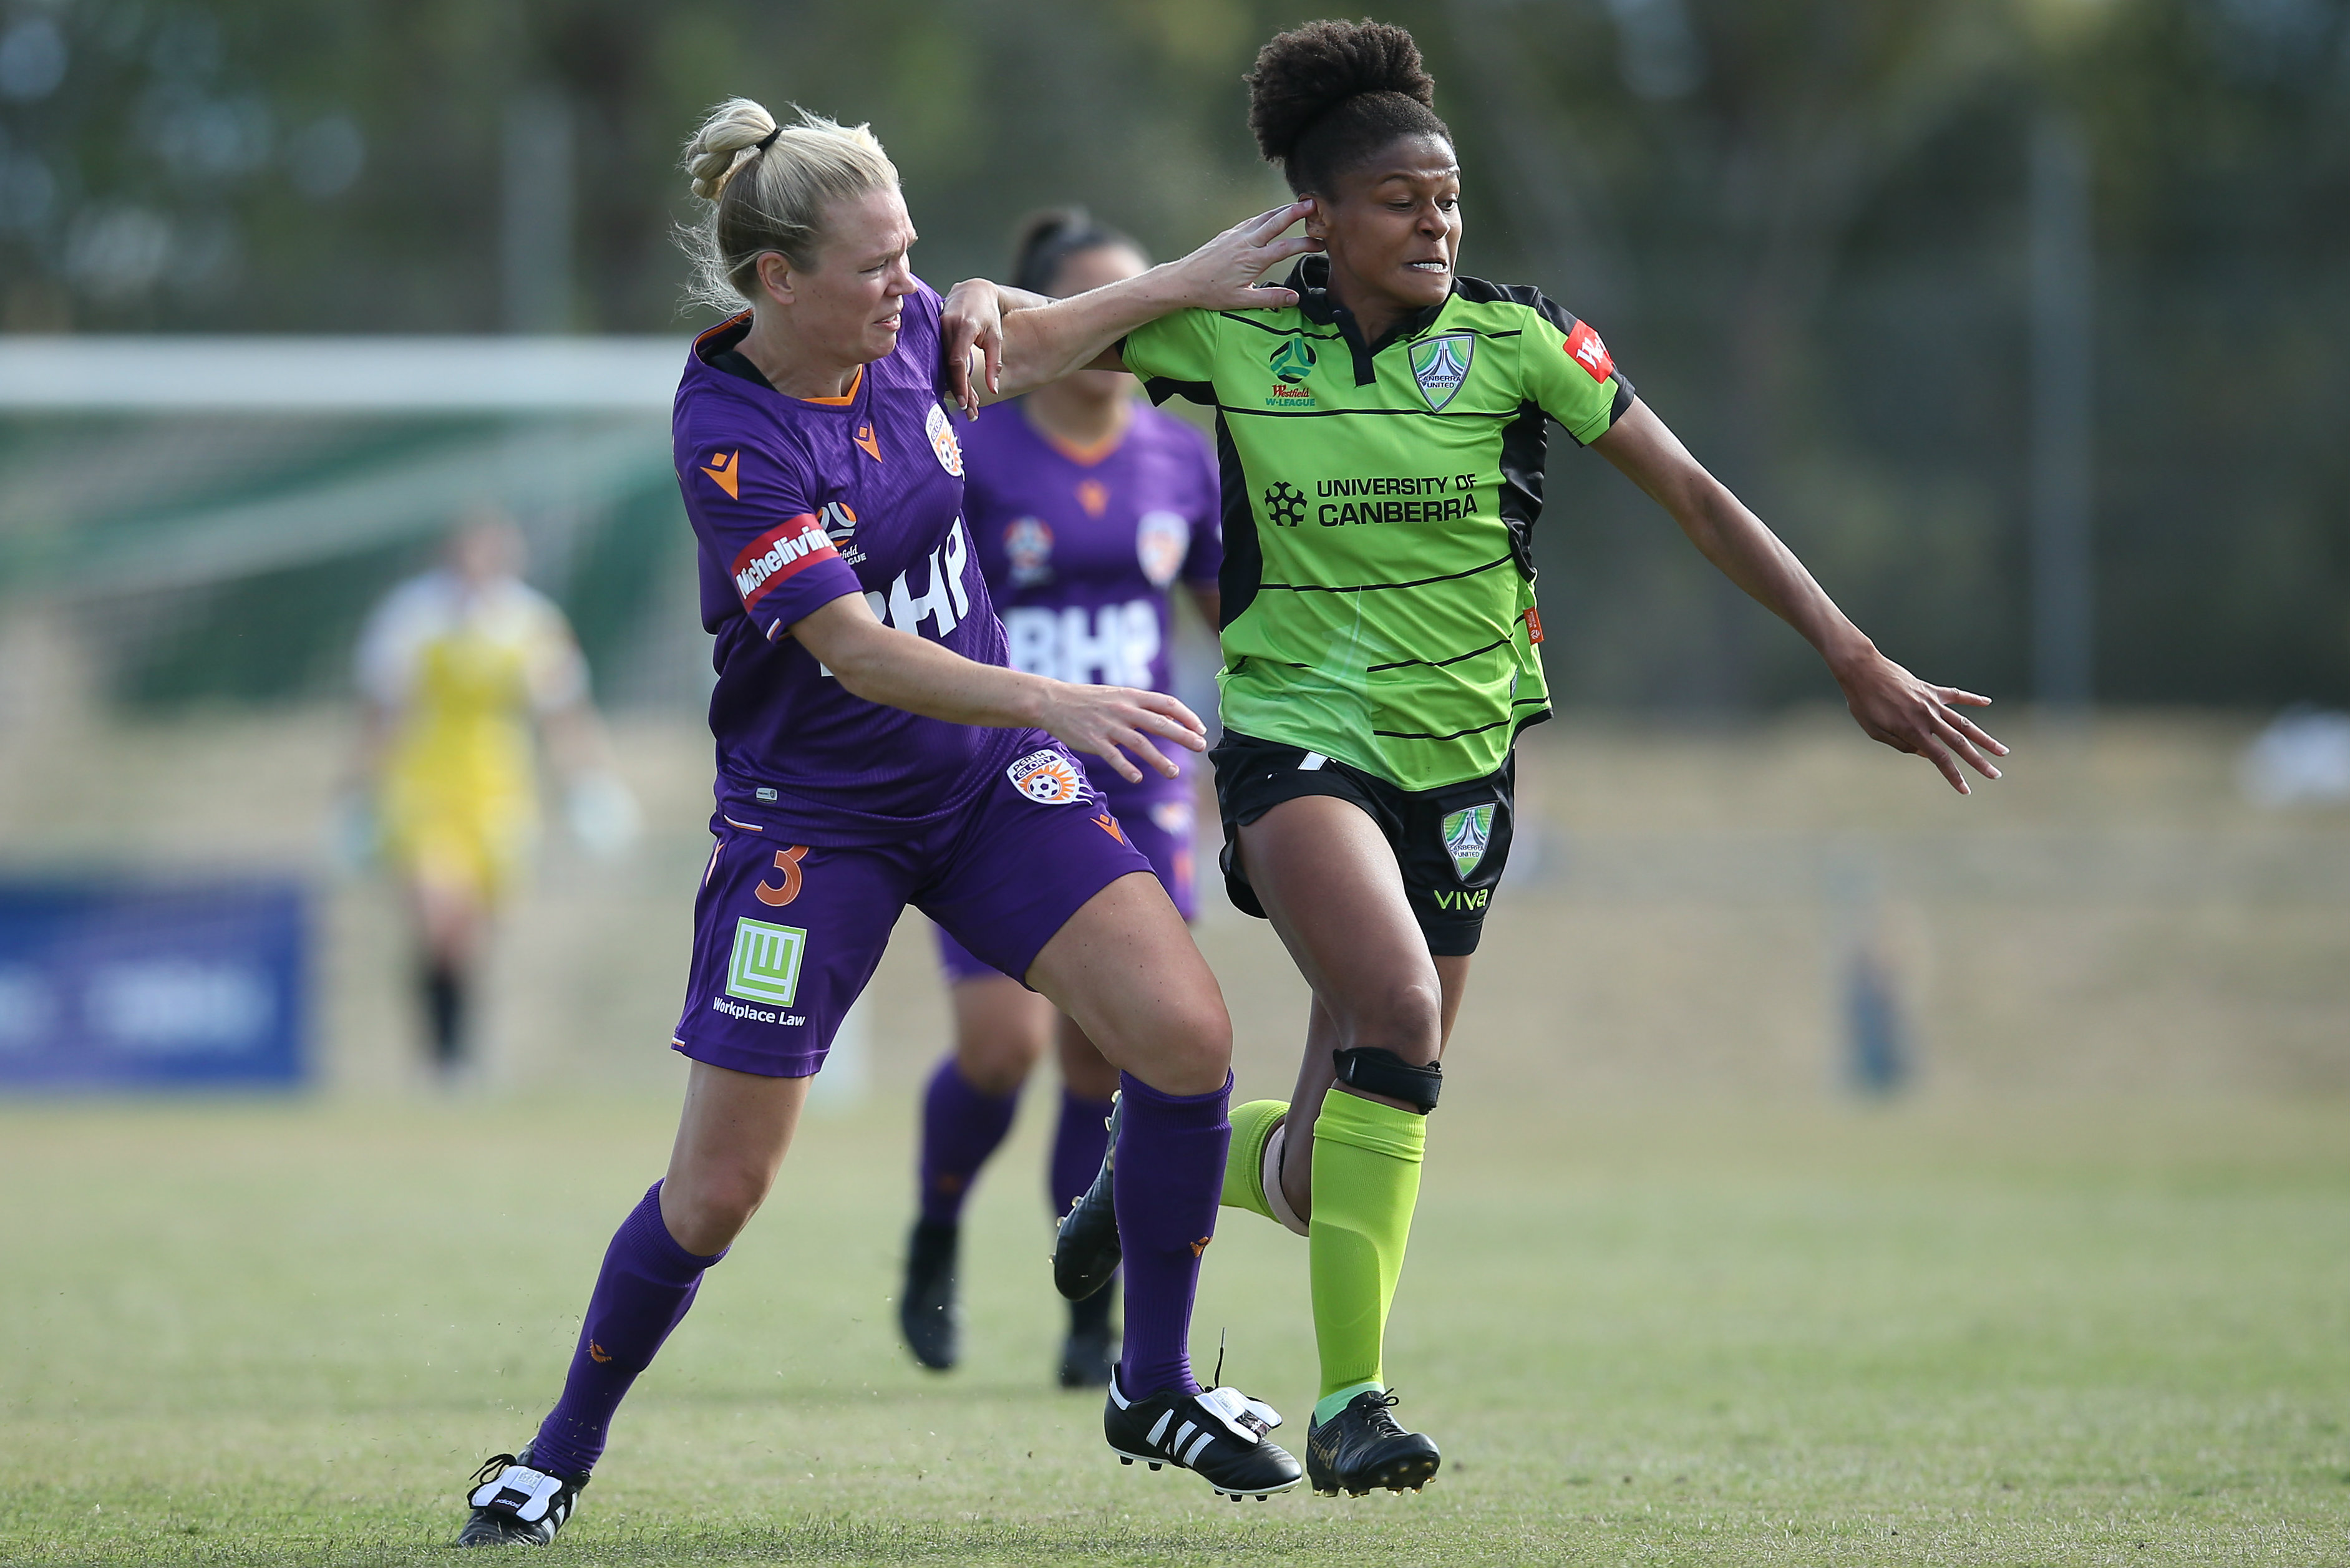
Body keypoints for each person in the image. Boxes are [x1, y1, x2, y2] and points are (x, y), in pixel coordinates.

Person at [1038, 18, 2009, 1503]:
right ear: (1319, 217)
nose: (1439, 220)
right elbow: (999, 340)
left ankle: (1160, 1163)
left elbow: (1695, 495)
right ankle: (1352, 1404)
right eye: (1403, 199)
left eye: (1449, 196)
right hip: (1297, 744)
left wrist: (1850, 654)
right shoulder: (1238, 335)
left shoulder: (1519, 341)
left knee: (1324, 1159)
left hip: (1467, 769)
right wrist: (1174, 280)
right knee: (1399, 1003)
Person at [454, 99, 1319, 1547]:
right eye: (874, 265)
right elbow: (851, 649)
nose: (906, 283)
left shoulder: (907, 320)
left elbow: (1026, 340)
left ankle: (1151, 1382)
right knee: (719, 1192)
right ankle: (553, 1456)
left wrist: (1188, 277)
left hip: (976, 790)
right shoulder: (728, 432)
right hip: (819, 824)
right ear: (775, 280)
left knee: (1184, 1037)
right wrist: (1050, 698)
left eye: (911, 253)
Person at [897, 209, 1223, 1391]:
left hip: (1137, 787)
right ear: (1034, 321)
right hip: (994, 776)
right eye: (1091, 303)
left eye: (1139, 303)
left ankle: (1092, 1320)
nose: (1119, 327)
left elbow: (1225, 614)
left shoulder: (1178, 456)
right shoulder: (972, 447)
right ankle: (934, 1225)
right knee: (997, 1046)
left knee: (1106, 1062)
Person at [351, 510, 637, 1082]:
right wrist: (356, 794)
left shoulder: (530, 622)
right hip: (423, 785)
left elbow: (563, 717)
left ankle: (460, 1057)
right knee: (436, 918)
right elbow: (381, 714)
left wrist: (591, 787)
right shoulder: (413, 617)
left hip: (500, 791)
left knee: (470, 932)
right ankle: (442, 1061)